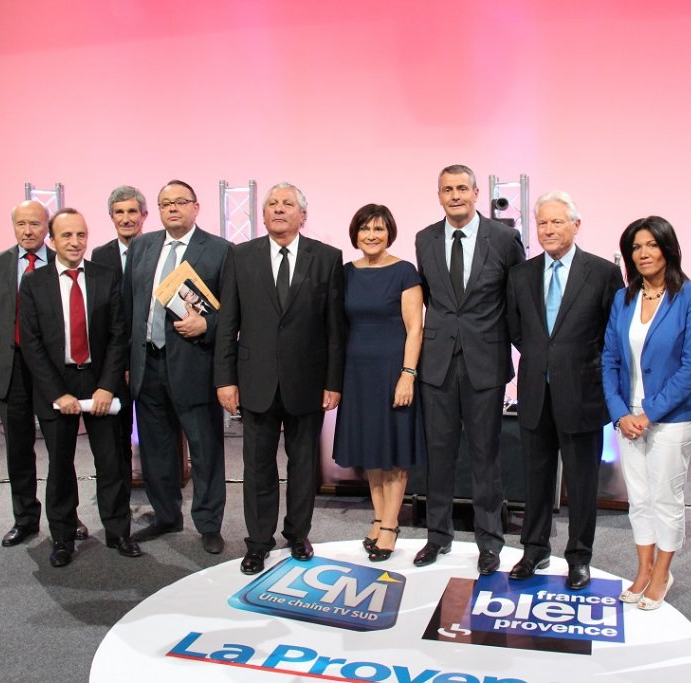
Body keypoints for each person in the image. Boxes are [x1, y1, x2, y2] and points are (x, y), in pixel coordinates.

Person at [215, 182, 346, 575]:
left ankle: (298, 534)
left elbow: (335, 328)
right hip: (254, 380)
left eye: (287, 204)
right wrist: (225, 379)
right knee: (257, 466)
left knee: (303, 465)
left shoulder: (326, 258)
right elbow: (228, 323)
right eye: (272, 203)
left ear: (302, 215)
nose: (278, 209)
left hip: (307, 381)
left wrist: (333, 381)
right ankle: (257, 542)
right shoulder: (240, 256)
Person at [505, 191, 623, 588]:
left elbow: (613, 333)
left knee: (582, 481)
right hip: (536, 392)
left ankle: (579, 557)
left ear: (576, 225)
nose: (549, 229)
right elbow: (517, 330)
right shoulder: (521, 274)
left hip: (583, 394)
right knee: (535, 479)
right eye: (542, 223)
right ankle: (534, 550)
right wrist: (546, 358)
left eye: (557, 222)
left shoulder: (604, 273)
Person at [413, 164, 524, 575]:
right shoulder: (424, 239)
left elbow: (517, 296)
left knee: (485, 456)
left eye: (462, 188)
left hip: (486, 361)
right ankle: (437, 536)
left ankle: (490, 541)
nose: (455, 195)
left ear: (477, 192)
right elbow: (425, 297)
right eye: (447, 189)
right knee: (438, 455)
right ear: (439, 195)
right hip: (438, 362)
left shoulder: (504, 237)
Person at [601, 216, 691, 610]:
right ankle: (643, 569)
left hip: (671, 418)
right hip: (626, 417)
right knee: (639, 498)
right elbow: (610, 358)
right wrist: (618, 412)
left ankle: (663, 572)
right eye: (636, 247)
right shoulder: (623, 298)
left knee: (665, 498)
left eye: (651, 245)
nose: (644, 253)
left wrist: (648, 414)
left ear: (668, 248)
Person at [19, 208, 138, 567]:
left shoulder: (105, 276)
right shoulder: (34, 283)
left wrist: (106, 387)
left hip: (100, 381)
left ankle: (119, 532)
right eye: (67, 236)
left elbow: (119, 336)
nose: (75, 242)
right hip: (58, 385)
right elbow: (32, 343)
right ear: (52, 241)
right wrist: (57, 393)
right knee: (60, 466)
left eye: (81, 235)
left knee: (113, 462)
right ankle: (63, 536)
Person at [124, 180, 231, 555]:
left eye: (180, 202)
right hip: (148, 364)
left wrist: (209, 325)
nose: (173, 209)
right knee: (156, 449)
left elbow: (235, 313)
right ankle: (166, 515)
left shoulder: (220, 251)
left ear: (196, 207)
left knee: (205, 450)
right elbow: (129, 307)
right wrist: (127, 361)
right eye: (165, 203)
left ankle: (208, 523)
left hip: (195, 364)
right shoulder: (141, 247)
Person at [0, 200, 88, 546]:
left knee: (61, 450)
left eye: (35, 225)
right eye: (21, 225)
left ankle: (66, 517)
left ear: (48, 230)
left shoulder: (62, 264)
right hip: (11, 370)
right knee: (18, 449)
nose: (27, 231)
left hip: (53, 373)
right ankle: (25, 518)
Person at [332, 204, 425, 562]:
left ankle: (390, 525)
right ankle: (378, 516)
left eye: (379, 229)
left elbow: (415, 328)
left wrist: (408, 375)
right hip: (357, 373)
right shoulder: (346, 273)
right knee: (371, 450)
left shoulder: (404, 272)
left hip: (392, 370)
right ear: (355, 233)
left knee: (394, 452)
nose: (371, 235)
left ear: (390, 233)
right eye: (365, 229)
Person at [92, 185, 148, 487]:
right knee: (118, 430)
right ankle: (121, 489)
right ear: (112, 217)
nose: (126, 218)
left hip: (151, 353)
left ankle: (161, 489)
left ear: (144, 215)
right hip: (114, 357)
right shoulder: (100, 256)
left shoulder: (156, 249)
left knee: (156, 429)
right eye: (120, 212)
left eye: (132, 212)